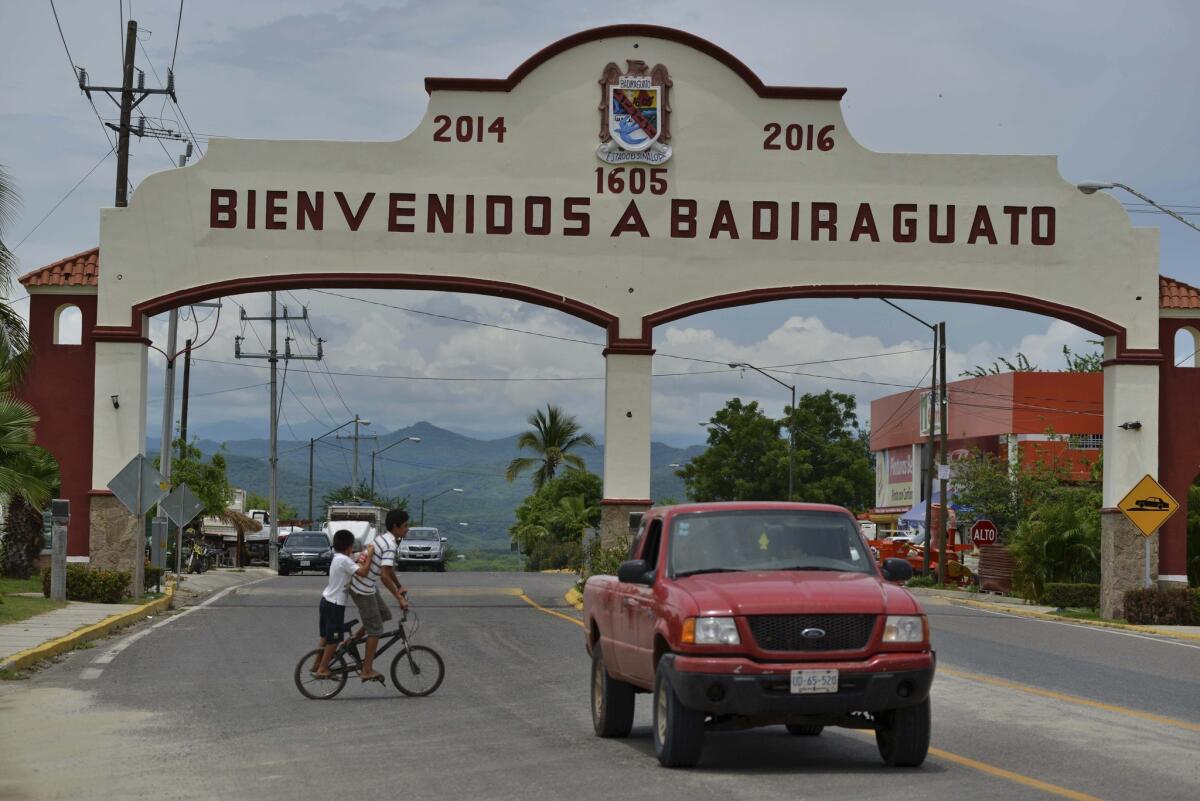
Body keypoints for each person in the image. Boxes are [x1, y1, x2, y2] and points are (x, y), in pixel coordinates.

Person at [347, 509, 411, 682]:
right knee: (376, 629)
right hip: (362, 588)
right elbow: (384, 575)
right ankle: (367, 670)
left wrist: (399, 587)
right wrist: (400, 598)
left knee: (383, 614)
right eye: (405, 526)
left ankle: (351, 641)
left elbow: (388, 571)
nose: (407, 529)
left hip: (366, 586)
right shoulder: (390, 544)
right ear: (396, 527)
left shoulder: (383, 538)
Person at [313, 529, 362, 679]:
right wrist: (369, 556)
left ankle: (316, 664)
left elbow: (352, 565)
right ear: (349, 546)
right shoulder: (345, 560)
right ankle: (322, 669)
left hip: (326, 600)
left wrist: (358, 558)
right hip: (335, 605)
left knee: (324, 637)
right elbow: (363, 572)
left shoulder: (337, 558)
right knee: (334, 640)